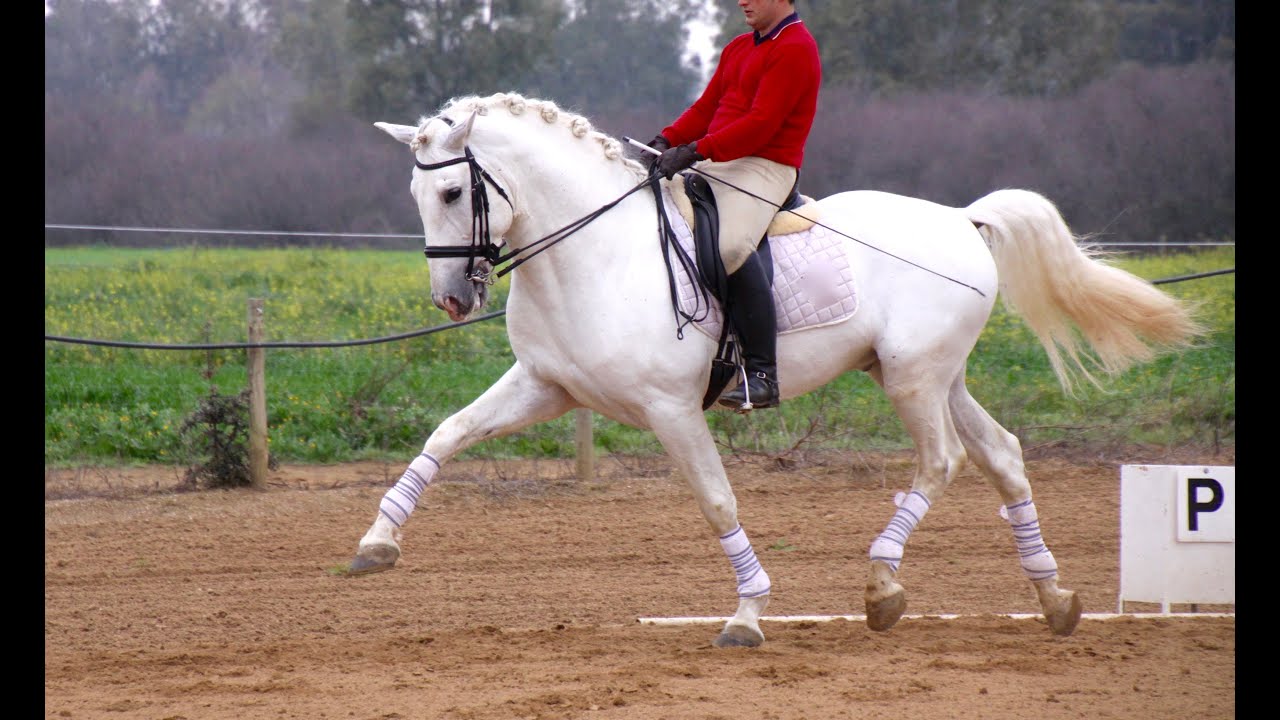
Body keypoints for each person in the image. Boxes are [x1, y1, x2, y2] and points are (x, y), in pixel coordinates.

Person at [646, 0, 821, 411]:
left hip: (766, 165)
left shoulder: (796, 47)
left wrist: (695, 151)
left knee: (732, 248)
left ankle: (762, 373)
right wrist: (665, 141)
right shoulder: (740, 47)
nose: (743, 0)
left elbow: (761, 124)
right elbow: (707, 109)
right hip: (722, 158)